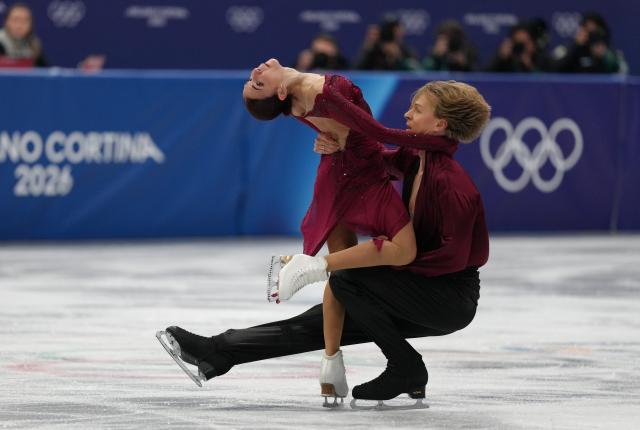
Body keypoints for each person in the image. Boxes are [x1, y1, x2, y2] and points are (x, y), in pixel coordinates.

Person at [160, 76, 491, 407]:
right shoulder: (418, 157)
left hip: (448, 298)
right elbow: (379, 164)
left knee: (349, 280)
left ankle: (406, 366)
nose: (407, 115)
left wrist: (383, 260)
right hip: (422, 289)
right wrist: (340, 146)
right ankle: (218, 352)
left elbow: (451, 260)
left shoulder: (453, 186)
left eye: (416, 110)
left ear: (439, 124)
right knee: (325, 316)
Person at [552, 12, 625, 74]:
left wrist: (603, 56)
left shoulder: (609, 52)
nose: (591, 35)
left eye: (594, 31)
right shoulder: (570, 49)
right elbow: (556, 69)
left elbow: (619, 72)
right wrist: (576, 45)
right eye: (587, 30)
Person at [356, 15, 420, 71]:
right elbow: (357, 70)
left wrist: (399, 57)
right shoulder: (374, 48)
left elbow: (417, 70)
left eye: (397, 28)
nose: (400, 31)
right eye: (392, 29)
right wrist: (369, 48)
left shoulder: (403, 49)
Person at [0, 2, 47, 67]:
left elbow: (46, 72)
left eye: (24, 21)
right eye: (15, 20)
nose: (19, 26)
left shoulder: (33, 45)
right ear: (6, 22)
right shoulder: (1, 41)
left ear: (31, 24)